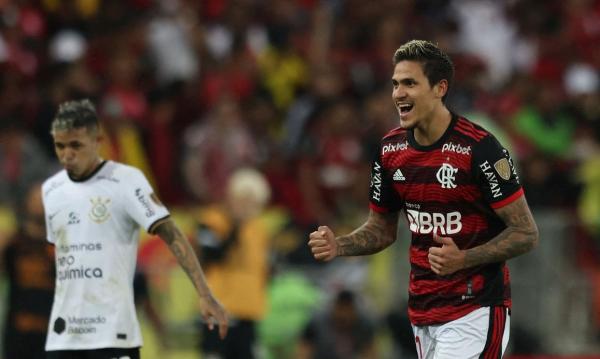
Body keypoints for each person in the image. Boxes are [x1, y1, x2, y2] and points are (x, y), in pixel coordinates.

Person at [308, 40, 539, 358]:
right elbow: (382, 229)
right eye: (395, 84)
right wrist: (341, 245)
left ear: (439, 88)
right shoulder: (390, 150)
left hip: (476, 309)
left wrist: (465, 258)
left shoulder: (480, 149)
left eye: (410, 83)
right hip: (422, 312)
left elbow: (526, 233)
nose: (398, 94)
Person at [41, 99, 228, 359]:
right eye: (60, 146)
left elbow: (171, 233)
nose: (67, 154)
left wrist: (204, 293)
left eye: (76, 145)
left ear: (97, 141)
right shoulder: (52, 191)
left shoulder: (126, 181)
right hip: (66, 338)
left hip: (112, 334)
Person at [193, 167, 271, 359]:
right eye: (244, 200)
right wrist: (236, 225)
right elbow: (212, 257)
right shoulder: (211, 220)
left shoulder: (258, 229)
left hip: (248, 314)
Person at [1, 182, 55, 359]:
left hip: (52, 335)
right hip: (18, 334)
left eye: (45, 197)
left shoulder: (59, 246)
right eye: (36, 197)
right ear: (27, 201)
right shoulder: (14, 243)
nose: (40, 202)